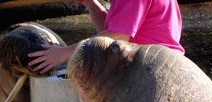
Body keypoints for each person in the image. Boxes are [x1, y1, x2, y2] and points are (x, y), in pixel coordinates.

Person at [28, 0, 185, 74]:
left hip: (151, 70)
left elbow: (117, 36)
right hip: (158, 63)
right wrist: (91, 4)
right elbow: (112, 36)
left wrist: (63, 54)